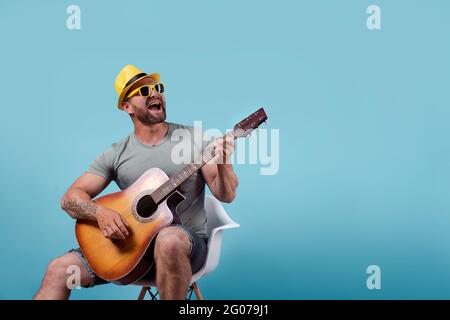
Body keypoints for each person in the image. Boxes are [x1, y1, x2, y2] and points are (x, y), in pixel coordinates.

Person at [34, 64, 238, 300]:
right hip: (129, 255)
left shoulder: (195, 139)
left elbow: (226, 195)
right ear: (127, 107)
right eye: (143, 91)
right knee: (59, 270)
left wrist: (224, 162)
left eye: (157, 87)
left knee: (168, 239)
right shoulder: (116, 153)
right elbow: (70, 199)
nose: (154, 93)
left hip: (185, 248)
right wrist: (100, 213)